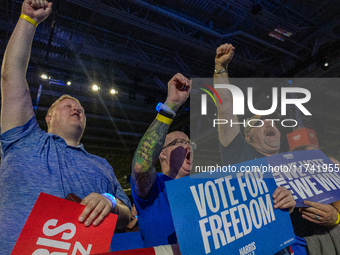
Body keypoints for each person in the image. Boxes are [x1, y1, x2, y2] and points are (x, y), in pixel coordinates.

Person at [0, 1, 130, 253]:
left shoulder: (102, 165)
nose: (77, 108)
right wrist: (28, 20)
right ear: (48, 117)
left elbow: (125, 213)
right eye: (67, 104)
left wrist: (110, 200)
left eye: (80, 107)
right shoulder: (23, 139)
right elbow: (11, 76)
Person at [214, 43, 297, 254]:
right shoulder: (239, 154)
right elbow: (225, 109)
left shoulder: (292, 163)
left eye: (273, 122)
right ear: (248, 138)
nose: (270, 124)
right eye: (261, 122)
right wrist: (220, 68)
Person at [131, 73, 192, 251]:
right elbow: (141, 166)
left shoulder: (204, 187)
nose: (189, 147)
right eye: (181, 143)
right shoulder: (155, 188)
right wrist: (171, 105)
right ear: (162, 154)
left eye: (190, 143)